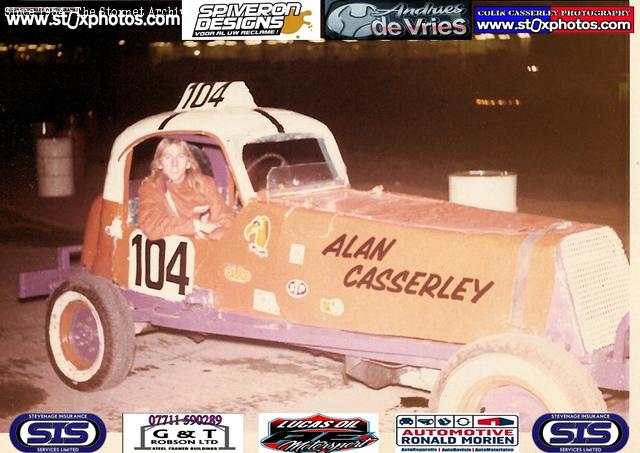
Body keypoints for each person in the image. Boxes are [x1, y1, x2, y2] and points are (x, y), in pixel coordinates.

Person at [138, 138, 234, 240]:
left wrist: (209, 237)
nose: (174, 163)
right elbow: (152, 225)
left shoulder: (205, 184)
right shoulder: (151, 188)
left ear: (188, 163)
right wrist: (198, 226)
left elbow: (225, 218)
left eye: (180, 157)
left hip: (205, 249)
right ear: (159, 164)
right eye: (168, 157)